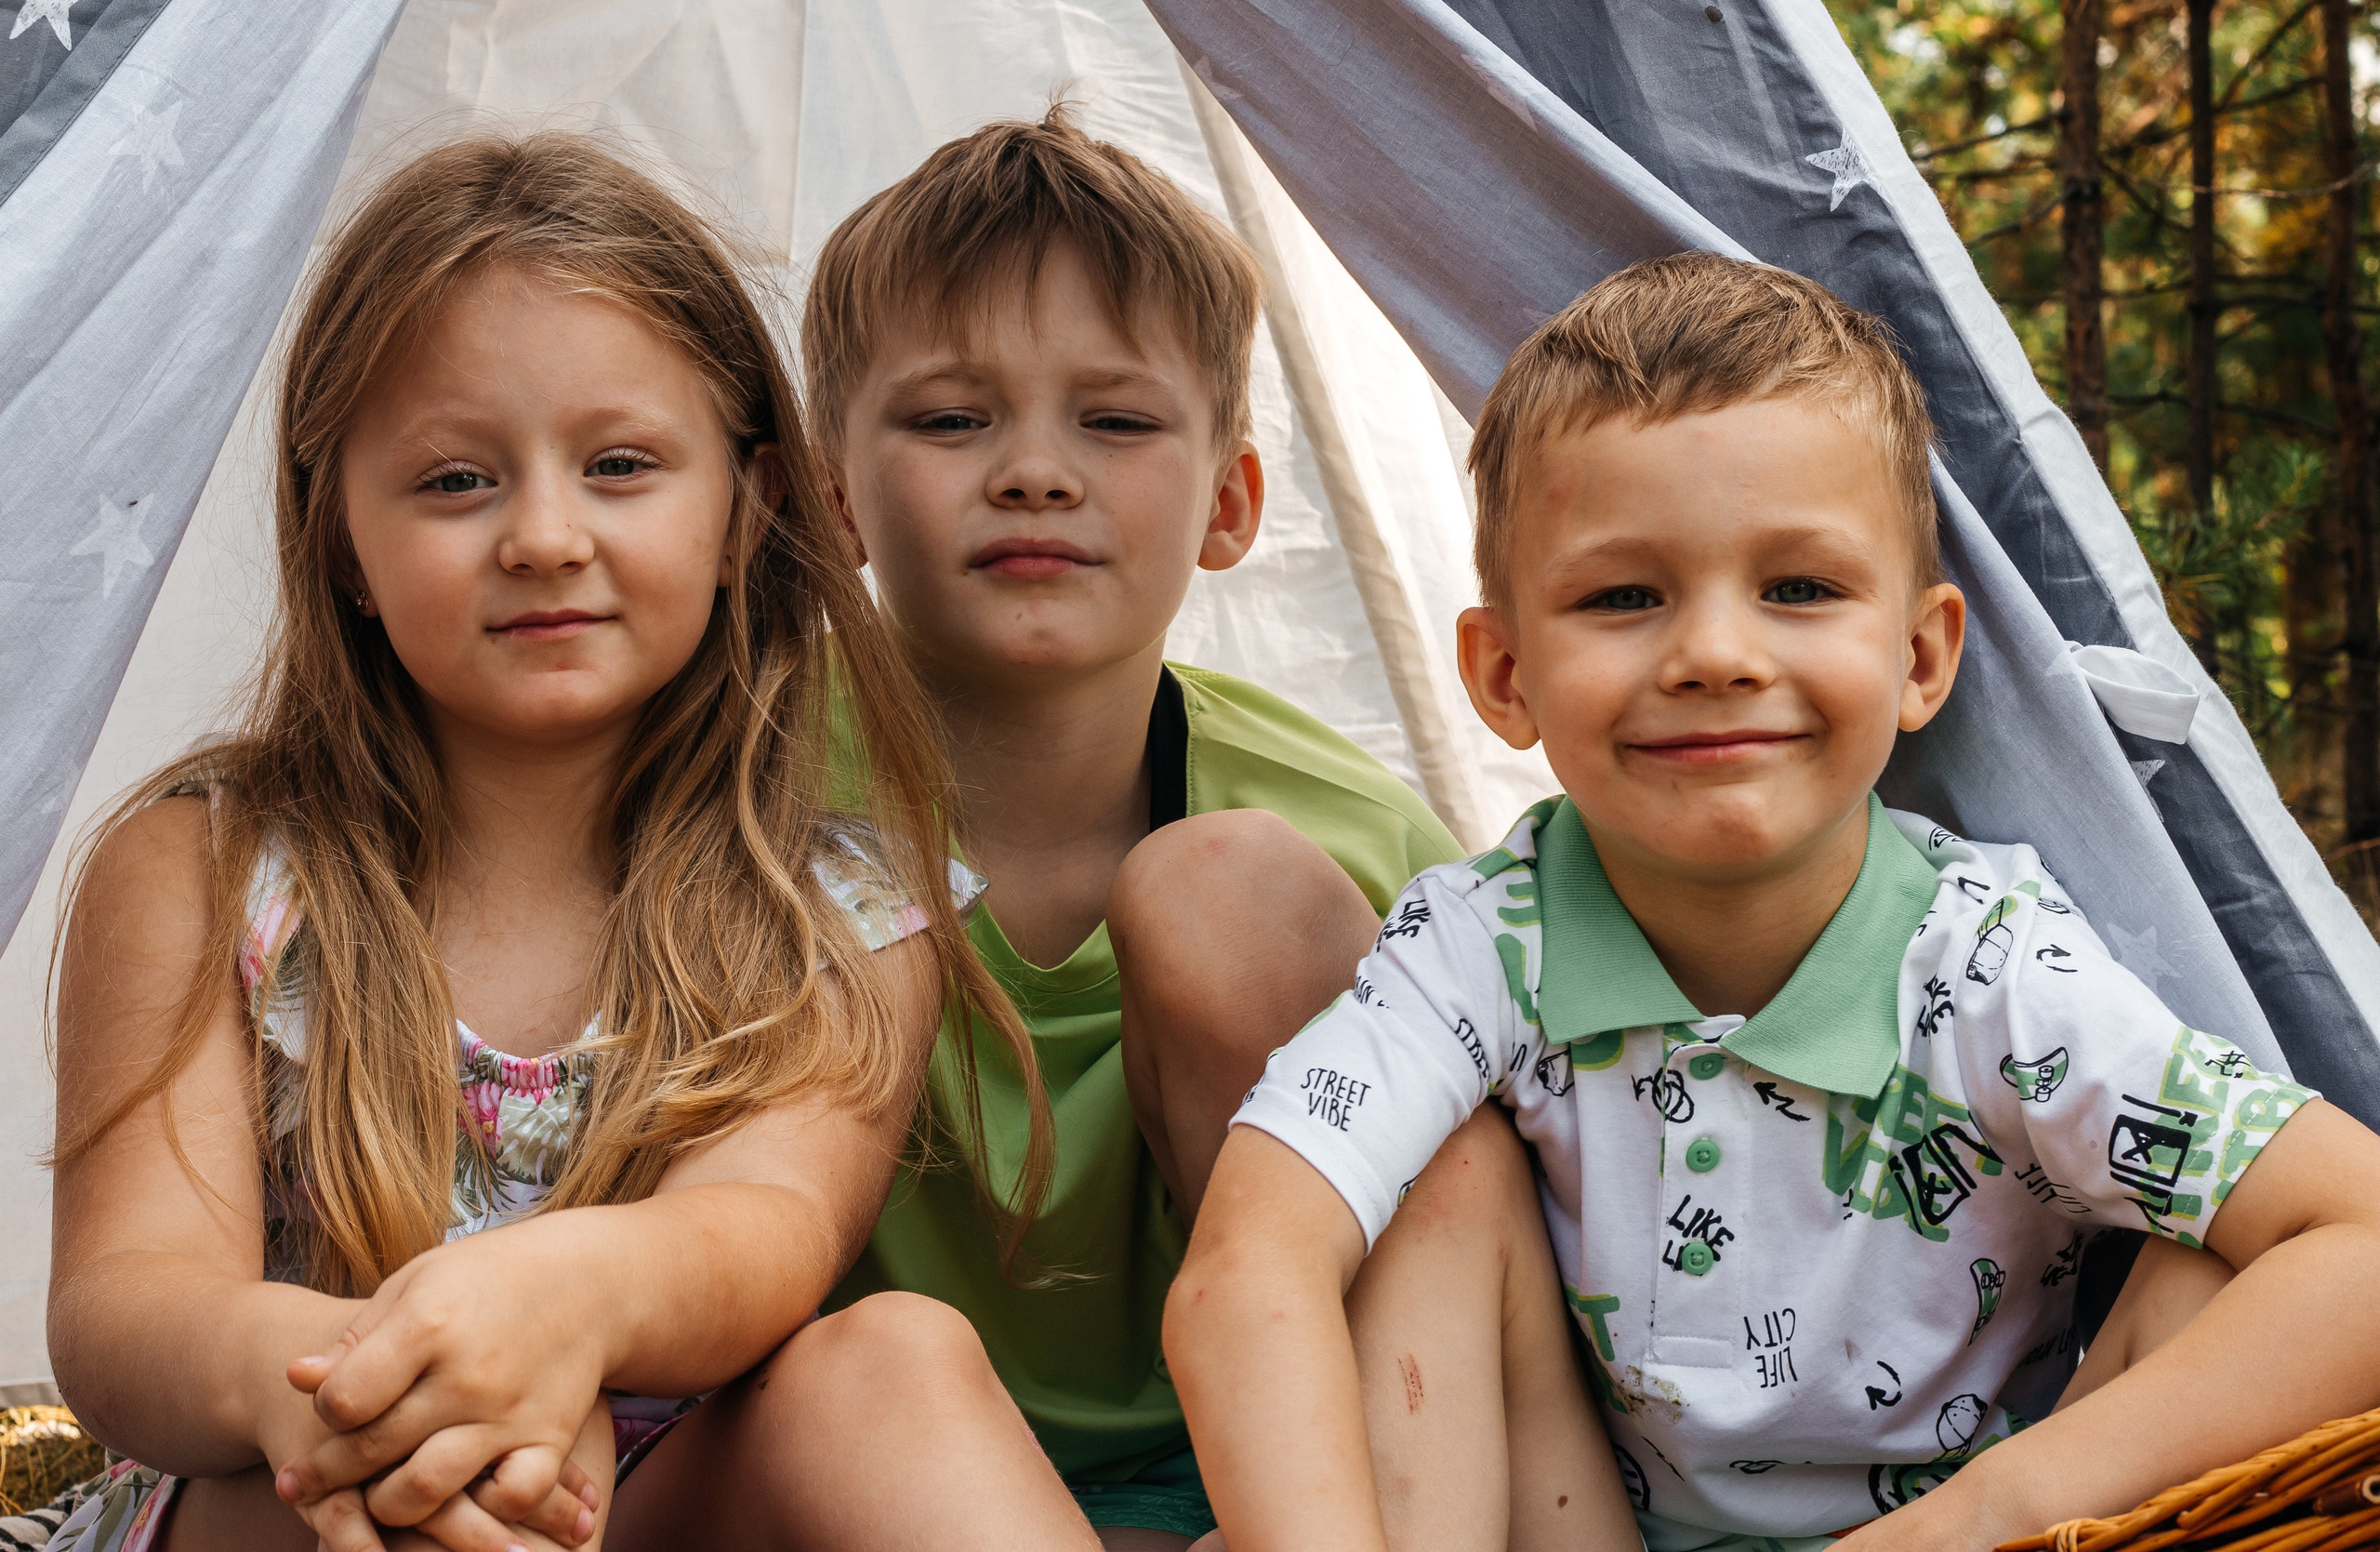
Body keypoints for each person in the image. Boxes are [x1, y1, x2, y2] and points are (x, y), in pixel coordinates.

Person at [1165, 252, 2380, 1552]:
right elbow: (1250, 1266)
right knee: (1434, 1181)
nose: (1715, 655)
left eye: (1799, 588)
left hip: (1978, 1539)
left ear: (1918, 656)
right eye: (1624, 597)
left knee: (2234, 1252)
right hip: (1581, 1528)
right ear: (1506, 672)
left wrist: (1983, 1520)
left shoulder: (1991, 970)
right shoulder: (1482, 944)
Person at [42, 132, 1089, 1552]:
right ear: (340, 537)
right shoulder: (204, 869)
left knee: (893, 1362)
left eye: (618, 465)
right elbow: (131, 1308)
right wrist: (382, 1396)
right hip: (300, 1485)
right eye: (455, 482)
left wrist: (552, 1313)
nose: (543, 535)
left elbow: (763, 1228)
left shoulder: (840, 910)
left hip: (632, 1503)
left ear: (751, 509)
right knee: (424, 1504)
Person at [800, 106, 1464, 1548]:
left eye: (1115, 421)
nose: (1036, 471)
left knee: (1235, 894)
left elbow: (1496, 1240)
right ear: (832, 495)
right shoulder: (727, 787)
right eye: (952, 419)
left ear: (1229, 503)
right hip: (861, 1473)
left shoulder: (1347, 835)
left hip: (1261, 1485)